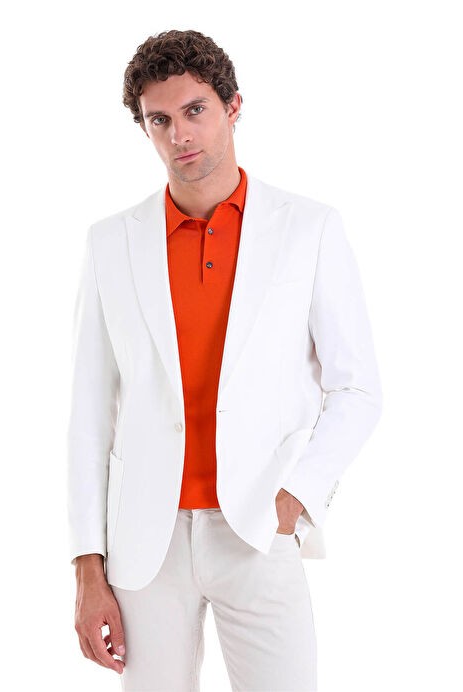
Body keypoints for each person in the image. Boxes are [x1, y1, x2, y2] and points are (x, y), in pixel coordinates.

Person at [67, 29, 383, 692]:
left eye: (195, 110)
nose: (179, 134)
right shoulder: (111, 243)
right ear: (144, 128)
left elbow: (356, 389)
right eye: (159, 119)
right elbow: (89, 416)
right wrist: (87, 567)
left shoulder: (308, 229)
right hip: (145, 546)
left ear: (233, 106)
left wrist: (295, 498)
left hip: (257, 528)